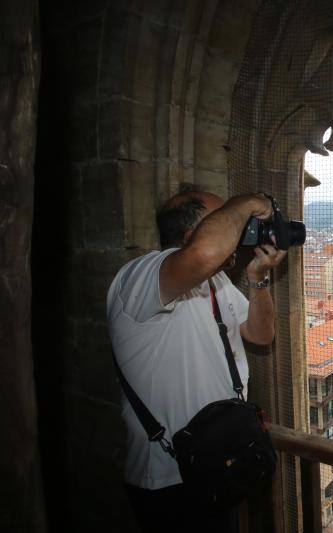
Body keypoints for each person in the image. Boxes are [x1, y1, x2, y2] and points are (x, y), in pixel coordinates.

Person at [106, 187, 286, 533]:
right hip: (168, 482)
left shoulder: (215, 281)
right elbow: (203, 253)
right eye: (227, 220)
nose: (238, 231)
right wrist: (249, 202)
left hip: (221, 462)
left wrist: (258, 279)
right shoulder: (139, 276)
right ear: (192, 233)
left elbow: (261, 334)